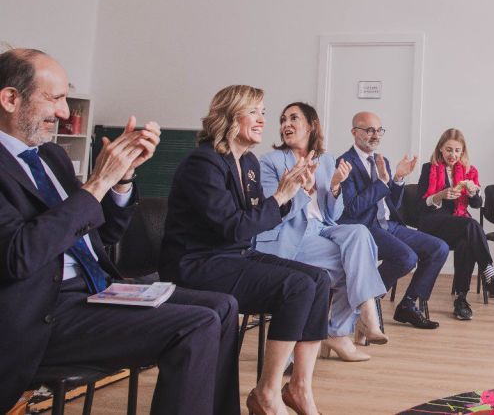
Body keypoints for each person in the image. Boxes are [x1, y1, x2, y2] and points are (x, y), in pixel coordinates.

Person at [0, 49, 240, 415]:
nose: (64, 112)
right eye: (55, 98)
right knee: (195, 324)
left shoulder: (52, 157)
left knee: (223, 307)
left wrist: (122, 178)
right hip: (40, 314)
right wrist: (98, 182)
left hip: (95, 289)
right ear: (10, 99)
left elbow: (103, 235)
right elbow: (19, 256)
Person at [160, 85, 330, 415]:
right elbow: (234, 227)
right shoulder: (203, 163)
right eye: (254, 112)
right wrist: (279, 196)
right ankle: (267, 393)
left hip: (233, 255)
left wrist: (293, 191)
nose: (263, 120)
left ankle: (298, 388)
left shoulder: (248, 162)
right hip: (196, 263)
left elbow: (256, 220)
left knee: (319, 280)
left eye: (263, 112)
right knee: (296, 287)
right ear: (229, 116)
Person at [255, 103, 388, 362]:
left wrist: (335, 186)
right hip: (289, 234)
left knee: (360, 234)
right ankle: (347, 327)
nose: (286, 124)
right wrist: (304, 191)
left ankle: (354, 322)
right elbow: (274, 211)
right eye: (283, 119)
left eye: (294, 118)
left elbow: (333, 215)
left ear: (311, 126)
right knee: (355, 264)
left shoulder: (325, 160)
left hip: (323, 229)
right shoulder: (270, 162)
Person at [337, 111, 448, 329]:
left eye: (379, 130)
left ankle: (407, 305)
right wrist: (381, 183)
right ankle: (363, 300)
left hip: (389, 225)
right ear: (354, 132)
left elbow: (392, 204)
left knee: (439, 248)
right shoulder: (344, 163)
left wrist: (397, 179)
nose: (375, 135)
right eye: (369, 130)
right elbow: (352, 209)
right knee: (406, 258)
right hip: (365, 228)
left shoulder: (382, 161)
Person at [417, 128, 494, 320]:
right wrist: (440, 195)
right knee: (470, 225)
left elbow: (477, 205)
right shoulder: (428, 168)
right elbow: (420, 205)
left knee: (466, 242)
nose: (453, 155)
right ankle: (491, 276)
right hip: (432, 223)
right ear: (440, 149)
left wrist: (472, 192)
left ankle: (461, 299)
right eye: (449, 149)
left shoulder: (468, 171)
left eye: (457, 150)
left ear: (462, 151)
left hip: (456, 224)